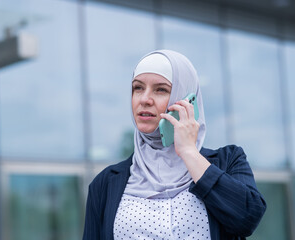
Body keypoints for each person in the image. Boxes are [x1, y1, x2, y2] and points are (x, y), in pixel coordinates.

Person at [82, 50, 266, 240]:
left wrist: (188, 152)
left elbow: (247, 219)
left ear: (185, 99)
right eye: (138, 88)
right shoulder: (105, 183)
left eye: (160, 89)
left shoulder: (228, 161)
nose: (144, 99)